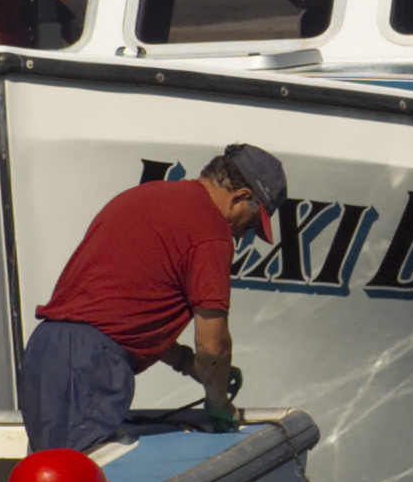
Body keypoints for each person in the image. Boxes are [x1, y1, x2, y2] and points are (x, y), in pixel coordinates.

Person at [18, 147, 287, 451]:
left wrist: (186, 362)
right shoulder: (211, 230)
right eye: (252, 222)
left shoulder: (144, 196)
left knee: (48, 480)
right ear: (240, 196)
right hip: (90, 369)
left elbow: (119, 313)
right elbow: (213, 345)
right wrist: (219, 403)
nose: (244, 235)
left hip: (46, 351)